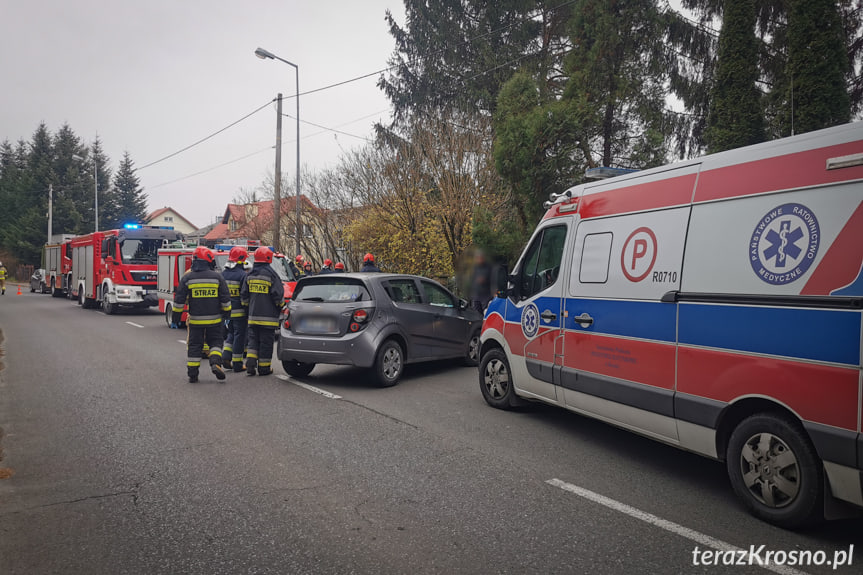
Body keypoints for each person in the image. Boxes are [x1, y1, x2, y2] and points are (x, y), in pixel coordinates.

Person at [172, 247, 231, 383]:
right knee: (216, 342)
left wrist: (176, 318)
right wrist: (227, 314)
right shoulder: (217, 277)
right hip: (215, 320)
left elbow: (179, 300)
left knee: (194, 345)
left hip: (195, 321)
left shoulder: (187, 278)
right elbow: (225, 299)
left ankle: (193, 374)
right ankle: (215, 363)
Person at [241, 247, 285, 376]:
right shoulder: (271, 275)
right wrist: (281, 306)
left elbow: (244, 295)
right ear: (269, 258)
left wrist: (248, 308)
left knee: (253, 341)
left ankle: (250, 364)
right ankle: (264, 368)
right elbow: (278, 295)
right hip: (268, 318)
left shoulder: (250, 274)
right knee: (266, 343)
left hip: (253, 316)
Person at [222, 246, 249, 372]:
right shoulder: (243, 275)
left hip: (227, 312)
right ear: (241, 260)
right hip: (240, 313)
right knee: (240, 336)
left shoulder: (223, 274)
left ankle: (226, 356)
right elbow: (244, 295)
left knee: (231, 333)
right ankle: (237, 364)